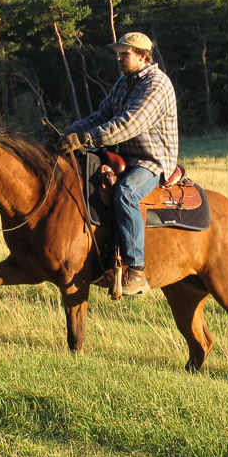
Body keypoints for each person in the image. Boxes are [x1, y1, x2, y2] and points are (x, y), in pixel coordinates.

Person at [57, 32, 178, 295]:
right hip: (122, 156)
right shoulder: (124, 82)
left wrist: (87, 138)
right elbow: (102, 115)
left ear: (143, 56)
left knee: (126, 194)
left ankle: (136, 270)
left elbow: (130, 124)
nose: (119, 58)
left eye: (125, 53)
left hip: (151, 160)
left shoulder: (157, 84)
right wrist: (67, 132)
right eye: (118, 53)